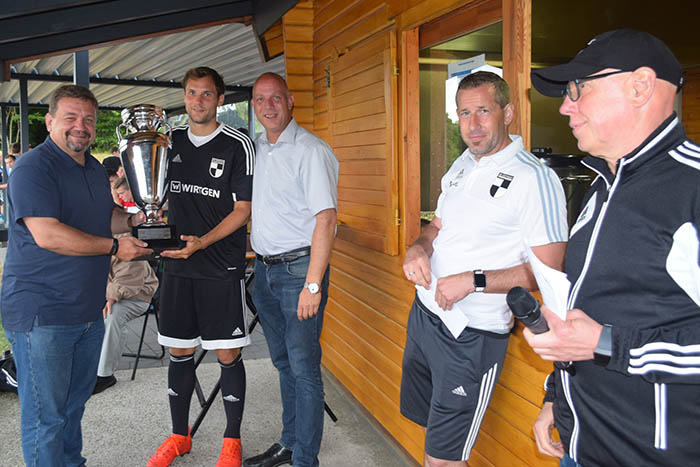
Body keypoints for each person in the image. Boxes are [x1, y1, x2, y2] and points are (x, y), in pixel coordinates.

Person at [528, 29, 699, 467]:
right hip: (581, 445)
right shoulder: (602, 187)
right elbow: (588, 310)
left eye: (577, 89)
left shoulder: (692, 190)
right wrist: (557, 398)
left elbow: (601, 338)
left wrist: (608, 344)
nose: (566, 105)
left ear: (640, 86)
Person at [400, 71, 568, 467]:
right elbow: (438, 225)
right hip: (425, 317)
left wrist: (473, 282)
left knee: (444, 459)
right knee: (431, 433)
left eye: (483, 111)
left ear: (507, 112)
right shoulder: (462, 164)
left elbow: (550, 270)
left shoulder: (534, 178)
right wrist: (418, 247)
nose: (472, 125)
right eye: (463, 114)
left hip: (470, 338)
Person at [0, 84, 151, 467]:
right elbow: (47, 233)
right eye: (70, 118)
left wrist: (134, 220)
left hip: (87, 310)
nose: (80, 126)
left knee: (73, 407)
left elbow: (104, 219)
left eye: (88, 119)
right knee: (46, 417)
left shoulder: (94, 170)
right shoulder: (34, 167)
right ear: (50, 121)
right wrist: (116, 248)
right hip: (43, 313)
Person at [147, 66, 254, 467]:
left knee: (227, 354)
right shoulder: (166, 142)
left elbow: (243, 209)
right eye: (191, 93)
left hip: (219, 266)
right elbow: (152, 197)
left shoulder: (237, 144)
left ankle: (231, 441)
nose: (198, 101)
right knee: (179, 350)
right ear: (185, 96)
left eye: (206, 94)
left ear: (220, 100)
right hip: (176, 264)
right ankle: (179, 436)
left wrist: (202, 243)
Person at [245, 72, 338, 467]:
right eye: (261, 100)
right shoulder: (258, 150)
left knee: (303, 369)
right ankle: (289, 442)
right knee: (283, 362)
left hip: (300, 273)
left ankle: (305, 459)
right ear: (253, 106)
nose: (269, 106)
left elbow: (327, 220)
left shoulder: (310, 150)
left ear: (291, 100)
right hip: (265, 273)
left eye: (276, 98)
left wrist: (312, 285)